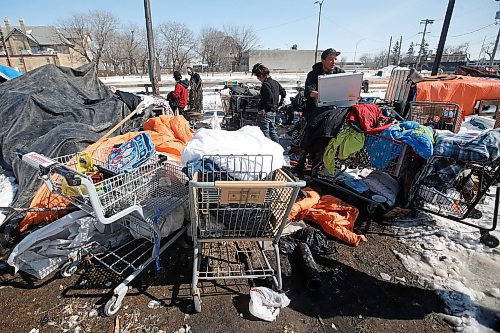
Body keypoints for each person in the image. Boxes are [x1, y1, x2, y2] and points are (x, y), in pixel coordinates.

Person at [304, 48, 345, 119]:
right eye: (330, 59)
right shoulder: (313, 74)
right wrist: (324, 95)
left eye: (335, 59)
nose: (334, 62)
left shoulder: (340, 73)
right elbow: (308, 92)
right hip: (317, 107)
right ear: (323, 61)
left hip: (339, 104)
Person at [252, 63, 286, 143]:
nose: (258, 79)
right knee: (272, 132)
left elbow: (269, 97)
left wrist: (265, 109)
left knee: (265, 134)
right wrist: (279, 104)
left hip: (265, 113)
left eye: (258, 77)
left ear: (261, 75)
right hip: (273, 112)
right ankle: (277, 148)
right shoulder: (275, 82)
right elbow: (283, 92)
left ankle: (267, 150)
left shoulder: (265, 85)